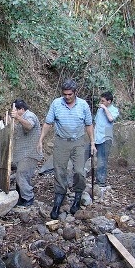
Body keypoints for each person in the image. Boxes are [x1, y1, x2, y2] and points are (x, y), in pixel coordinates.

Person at [37, 79, 97, 219]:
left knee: (79, 172)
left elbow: (89, 125)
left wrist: (93, 142)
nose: (67, 97)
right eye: (65, 94)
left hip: (78, 142)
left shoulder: (83, 105)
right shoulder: (56, 104)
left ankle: (77, 197)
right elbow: (48, 123)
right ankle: (58, 200)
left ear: (75, 93)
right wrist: (40, 140)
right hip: (61, 141)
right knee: (59, 171)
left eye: (70, 94)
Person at [11, 99, 43, 206]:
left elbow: (29, 126)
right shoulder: (22, 117)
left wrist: (18, 118)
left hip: (30, 152)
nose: (14, 112)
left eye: (16, 110)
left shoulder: (30, 115)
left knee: (21, 174)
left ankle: (28, 198)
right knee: (24, 175)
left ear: (21, 109)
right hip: (23, 153)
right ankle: (20, 198)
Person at [86, 91, 119, 187]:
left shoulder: (114, 110)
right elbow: (96, 122)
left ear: (109, 101)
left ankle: (101, 182)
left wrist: (105, 108)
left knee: (102, 159)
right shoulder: (100, 110)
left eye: (103, 101)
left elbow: (111, 119)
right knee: (86, 153)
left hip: (106, 135)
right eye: (101, 101)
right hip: (96, 135)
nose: (101, 103)